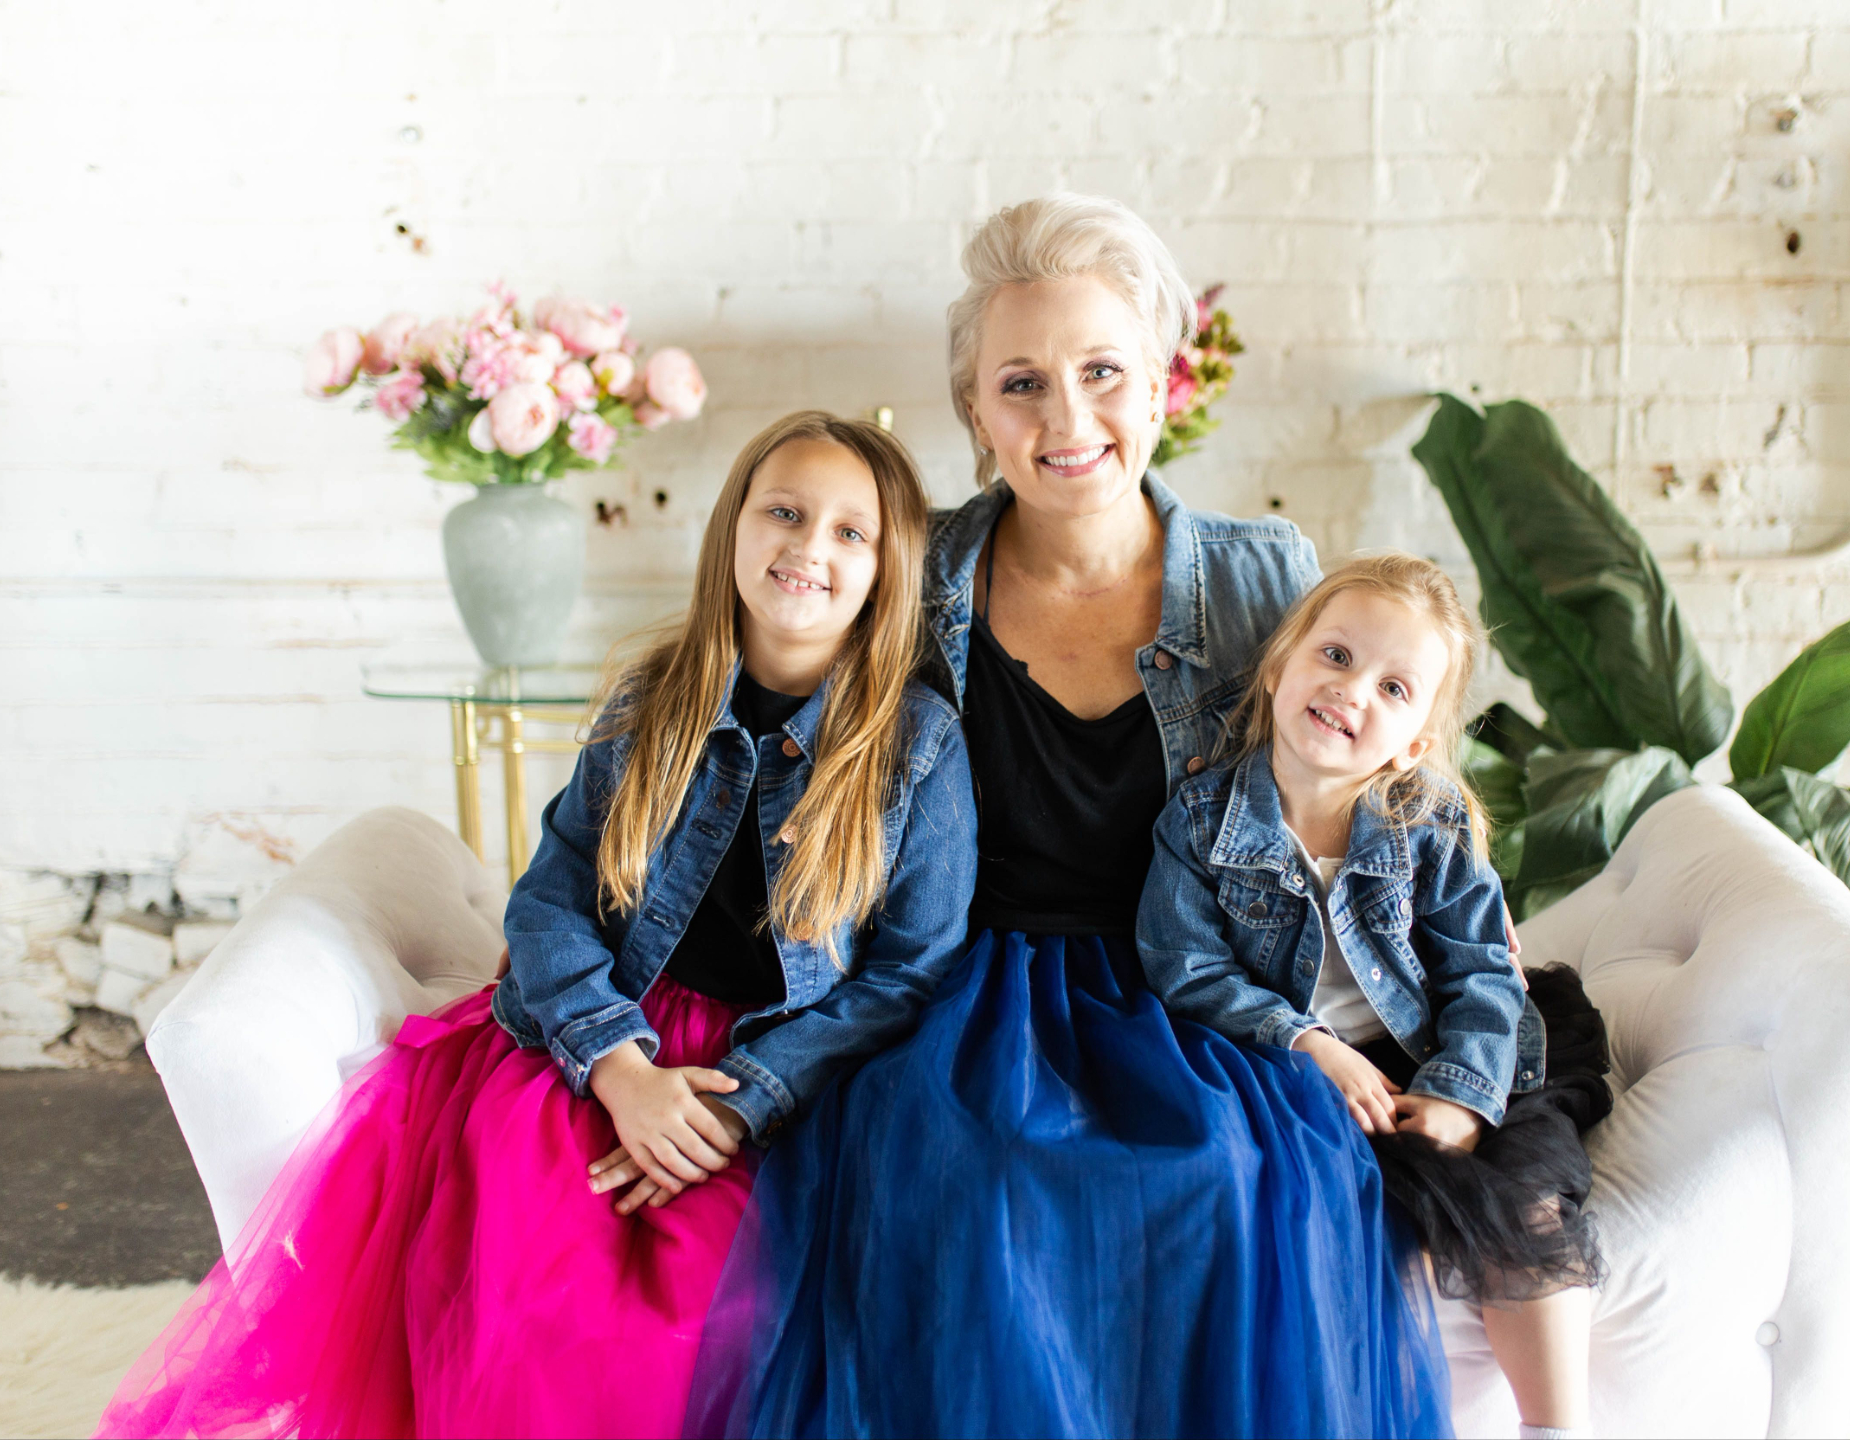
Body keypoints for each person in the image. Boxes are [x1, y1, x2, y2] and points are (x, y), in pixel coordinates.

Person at [687, 196, 1449, 1439]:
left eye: (1100, 373)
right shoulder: (912, 567)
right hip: (959, 983)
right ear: (973, 411)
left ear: (1158, 382)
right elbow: (772, 729)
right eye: (1021, 385)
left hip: (1190, 980)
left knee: (1233, 1173)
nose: (1065, 420)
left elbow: (1365, 767)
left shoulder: (1262, 572)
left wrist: (1454, 906)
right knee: (961, 1177)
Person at [97, 410, 977, 1439]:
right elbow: (550, 899)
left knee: (721, 1310)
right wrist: (619, 1069)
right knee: (536, 1283)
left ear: (886, 570)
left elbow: (909, 972)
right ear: (733, 524)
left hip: (780, 1073)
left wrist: (742, 1105)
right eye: (783, 511)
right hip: (609, 1036)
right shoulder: (653, 698)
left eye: (848, 531)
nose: (807, 546)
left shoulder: (917, 745)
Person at [1138, 553, 1614, 1440]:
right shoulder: (1198, 822)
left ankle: (1556, 1427)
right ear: (1278, 666)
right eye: (1335, 655)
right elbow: (1185, 967)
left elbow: (1480, 973)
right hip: (1303, 1063)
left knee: (1522, 1199)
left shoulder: (1424, 820)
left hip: (1452, 1045)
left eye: (1394, 689)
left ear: (1414, 743)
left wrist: (1460, 1095)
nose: (1350, 690)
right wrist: (1305, 1042)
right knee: (1354, 1212)